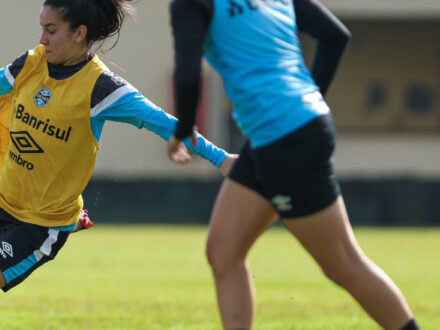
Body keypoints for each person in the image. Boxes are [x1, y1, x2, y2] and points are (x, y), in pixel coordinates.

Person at [0, 0, 236, 328]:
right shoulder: (31, 63)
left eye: (51, 30)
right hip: (0, 200)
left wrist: (221, 158)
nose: (42, 38)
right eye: (42, 28)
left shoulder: (102, 89)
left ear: (79, 34)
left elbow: (161, 120)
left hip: (42, 222)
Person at [167, 0, 420, 329]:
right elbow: (335, 35)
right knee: (224, 251)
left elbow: (188, 75)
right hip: (289, 130)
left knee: (343, 263)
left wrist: (184, 129)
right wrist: (309, 100)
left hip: (284, 137)